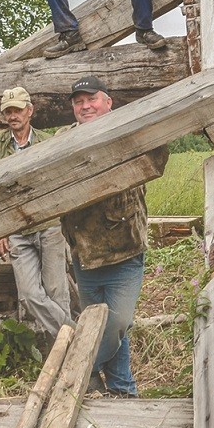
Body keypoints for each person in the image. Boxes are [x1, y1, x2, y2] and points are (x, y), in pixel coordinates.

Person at [60, 76, 151, 396]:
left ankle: (78, 374)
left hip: (124, 252)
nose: (85, 106)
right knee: (101, 325)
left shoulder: (127, 129)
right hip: (84, 255)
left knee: (116, 323)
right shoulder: (63, 139)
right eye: (78, 101)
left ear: (108, 102)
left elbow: (156, 156)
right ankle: (123, 389)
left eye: (92, 99)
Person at [0, 87, 73, 339]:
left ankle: (63, 352)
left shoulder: (47, 141)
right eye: (8, 111)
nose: (13, 116)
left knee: (57, 292)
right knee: (29, 295)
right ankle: (76, 336)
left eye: (18, 110)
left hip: (49, 223)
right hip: (17, 230)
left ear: (29, 111)